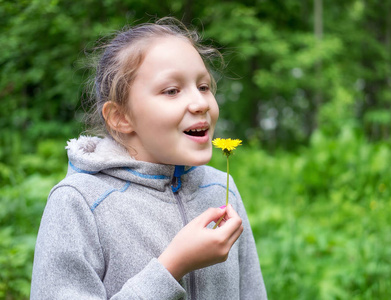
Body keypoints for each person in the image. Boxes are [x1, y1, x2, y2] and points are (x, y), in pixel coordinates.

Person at [30, 17, 267, 299]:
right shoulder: (78, 203)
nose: (201, 103)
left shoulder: (220, 188)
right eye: (172, 90)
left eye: (203, 86)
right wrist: (171, 268)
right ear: (120, 117)